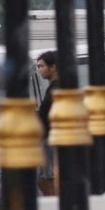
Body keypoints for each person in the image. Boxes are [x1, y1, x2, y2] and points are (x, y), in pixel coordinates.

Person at [36, 50, 58, 196]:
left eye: (41, 66)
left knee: (47, 179)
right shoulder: (52, 89)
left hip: (50, 140)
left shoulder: (55, 90)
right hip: (48, 139)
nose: (39, 70)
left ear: (53, 67)